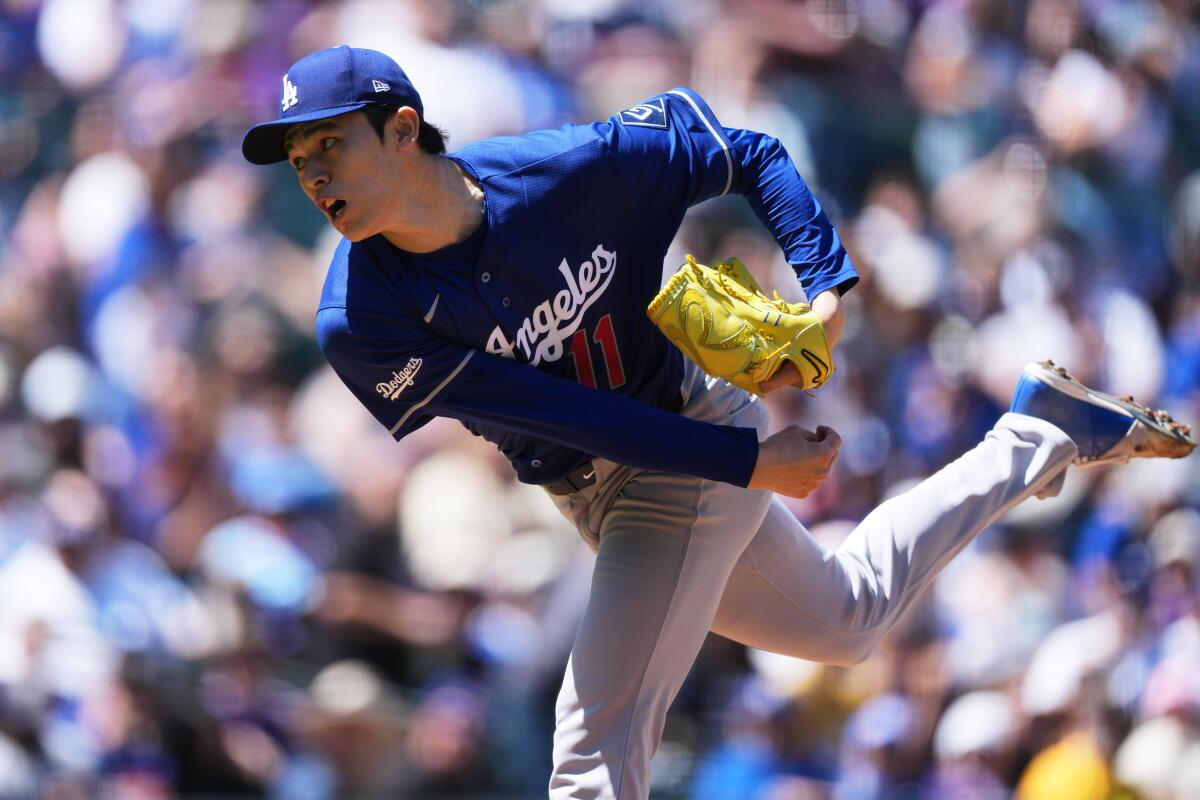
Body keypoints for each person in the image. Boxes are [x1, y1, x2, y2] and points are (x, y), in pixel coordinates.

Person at [241, 46, 1195, 799]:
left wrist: (824, 285)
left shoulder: (571, 172)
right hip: (641, 464)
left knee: (590, 752)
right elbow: (561, 412)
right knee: (847, 619)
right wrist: (746, 462)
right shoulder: (360, 319)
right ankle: (1039, 433)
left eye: (330, 144)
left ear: (403, 128)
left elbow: (751, 153)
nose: (312, 176)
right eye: (297, 159)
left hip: (682, 436)